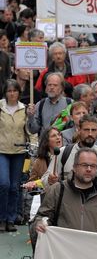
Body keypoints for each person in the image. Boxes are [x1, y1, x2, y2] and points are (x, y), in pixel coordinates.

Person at [34, 147, 97, 234]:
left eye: (93, 166)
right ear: (74, 167)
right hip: (64, 246)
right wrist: (40, 223)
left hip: (95, 247)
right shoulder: (58, 190)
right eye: (84, 165)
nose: (89, 169)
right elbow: (42, 216)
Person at [42, 114, 97, 203]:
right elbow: (44, 181)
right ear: (79, 130)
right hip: (69, 210)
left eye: (93, 130)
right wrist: (49, 180)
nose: (90, 134)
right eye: (86, 130)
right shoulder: (63, 153)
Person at [0, 80, 30, 232]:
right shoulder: (0, 107)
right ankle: (2, 218)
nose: (12, 93)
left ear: (19, 92)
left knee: (14, 187)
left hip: (19, 151)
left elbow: (30, 130)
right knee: (3, 184)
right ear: (5, 92)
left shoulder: (24, 109)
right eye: (9, 91)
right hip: (1, 150)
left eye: (15, 90)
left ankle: (11, 219)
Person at [23, 127, 63, 193]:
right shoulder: (40, 161)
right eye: (53, 136)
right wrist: (33, 186)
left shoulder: (67, 154)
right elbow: (32, 185)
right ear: (47, 141)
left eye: (59, 134)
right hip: (47, 199)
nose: (58, 137)